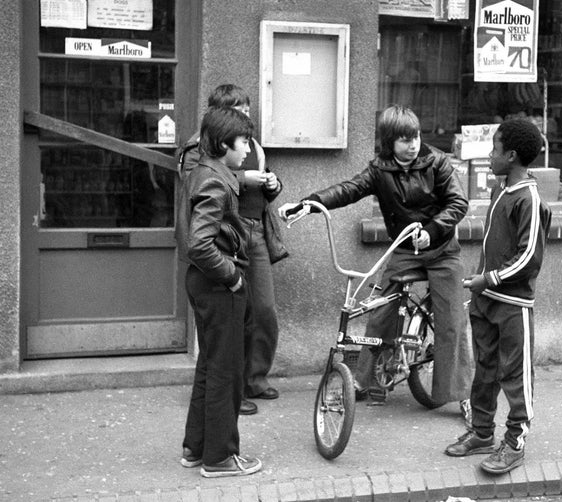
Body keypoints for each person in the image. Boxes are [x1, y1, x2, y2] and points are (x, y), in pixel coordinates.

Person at [279, 105, 473, 422]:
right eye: (404, 140)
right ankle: (363, 381)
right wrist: (309, 204)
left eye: (416, 137)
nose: (412, 144)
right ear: (388, 142)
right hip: (404, 250)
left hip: (441, 250)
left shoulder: (437, 162)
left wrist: (434, 229)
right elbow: (348, 189)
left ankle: (463, 395)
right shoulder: (379, 170)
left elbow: (458, 202)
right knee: (378, 312)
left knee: (451, 321)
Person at [444, 118, 551, 475]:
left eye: (495, 149)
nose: (490, 155)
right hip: (486, 300)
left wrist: (486, 279)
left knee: (515, 376)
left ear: (513, 155)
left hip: (512, 305)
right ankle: (482, 433)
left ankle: (514, 443)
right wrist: (482, 286)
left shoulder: (529, 198)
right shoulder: (500, 189)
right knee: (485, 370)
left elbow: (528, 257)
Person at [179, 85, 286, 416]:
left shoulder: (252, 143)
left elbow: (265, 183)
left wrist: (272, 184)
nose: (246, 114)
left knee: (264, 311)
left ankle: (255, 378)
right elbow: (197, 184)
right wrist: (244, 179)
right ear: (219, 114)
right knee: (231, 318)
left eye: (248, 108)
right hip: (225, 237)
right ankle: (231, 390)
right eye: (239, 109)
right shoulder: (198, 147)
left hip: (255, 231)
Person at [175, 106, 262, 478]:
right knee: (226, 371)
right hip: (217, 283)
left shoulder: (205, 172)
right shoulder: (215, 179)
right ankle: (220, 458)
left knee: (210, 367)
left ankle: (196, 448)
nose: (247, 150)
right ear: (225, 143)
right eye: (243, 142)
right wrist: (233, 277)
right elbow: (199, 243)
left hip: (203, 281)